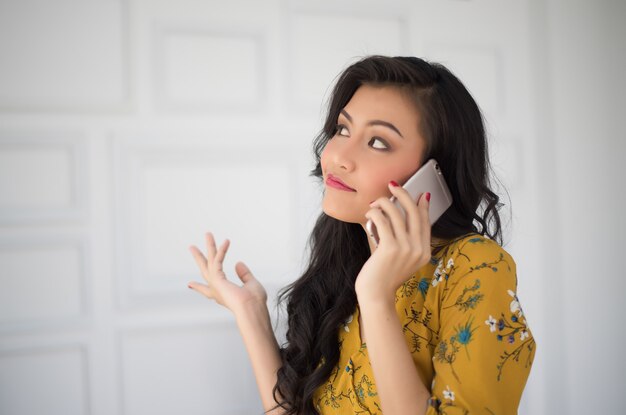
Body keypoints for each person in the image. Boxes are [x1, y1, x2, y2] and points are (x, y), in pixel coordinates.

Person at [188, 55, 535, 415]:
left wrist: (375, 297)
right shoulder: (345, 262)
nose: (338, 157)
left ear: (433, 174)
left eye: (378, 142)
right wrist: (249, 312)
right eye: (342, 129)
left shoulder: (476, 267)